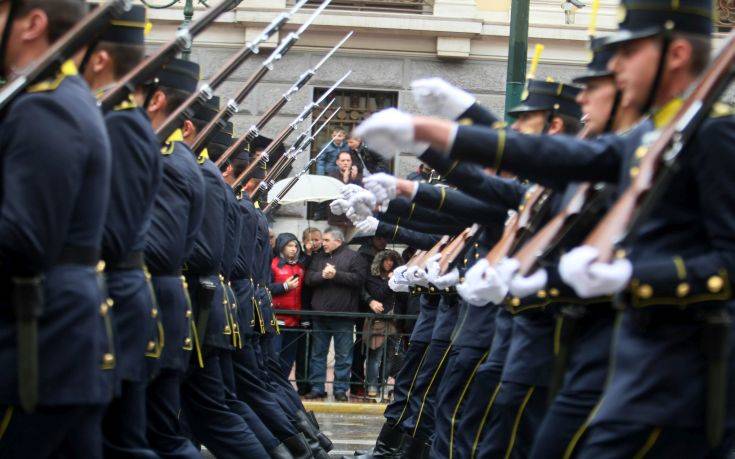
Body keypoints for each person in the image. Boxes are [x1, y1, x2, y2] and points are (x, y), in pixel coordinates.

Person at [0, 2, 112, 456]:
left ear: (33, 22)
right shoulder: (57, 97)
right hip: (58, 339)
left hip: (35, 344)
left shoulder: (47, 107)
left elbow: (23, 238)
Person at [79, 6, 163, 457]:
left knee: (122, 442)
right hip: (120, 292)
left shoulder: (122, 127)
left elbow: (116, 230)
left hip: (117, 294)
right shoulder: (122, 123)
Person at [304, 227, 368, 401]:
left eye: (326, 240)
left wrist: (336, 275)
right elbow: (308, 279)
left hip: (343, 316)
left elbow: (359, 280)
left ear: (338, 241)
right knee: (318, 354)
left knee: (343, 356)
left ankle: (340, 389)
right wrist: (322, 276)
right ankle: (317, 387)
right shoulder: (318, 258)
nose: (322, 243)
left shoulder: (354, 257)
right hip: (320, 315)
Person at [362, 250, 404, 397]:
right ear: (380, 261)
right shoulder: (373, 277)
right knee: (375, 355)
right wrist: (389, 282)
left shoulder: (400, 278)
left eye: (392, 260)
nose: (389, 263)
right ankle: (372, 386)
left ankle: (382, 384)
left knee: (390, 356)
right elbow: (378, 294)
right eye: (386, 260)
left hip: (395, 322)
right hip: (378, 321)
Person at [269, 233, 306, 378]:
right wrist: (285, 286)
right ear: (281, 247)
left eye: (296, 246)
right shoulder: (272, 264)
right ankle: (272, 384)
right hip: (276, 317)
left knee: (288, 358)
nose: (294, 249)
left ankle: (282, 384)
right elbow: (265, 287)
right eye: (290, 245)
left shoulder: (301, 266)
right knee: (274, 355)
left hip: (294, 319)